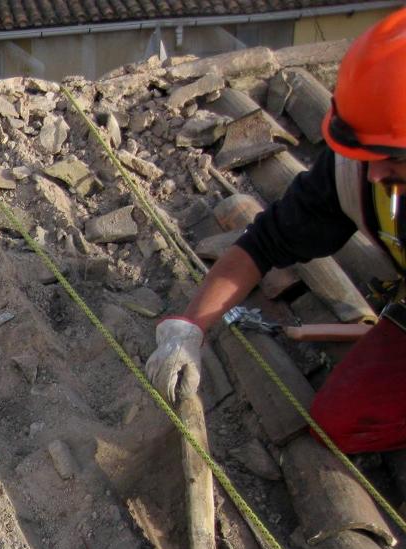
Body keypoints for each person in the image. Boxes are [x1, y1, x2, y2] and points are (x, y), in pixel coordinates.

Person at [146, 8, 406, 454]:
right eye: (368, 155)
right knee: (341, 423)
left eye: (396, 160)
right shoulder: (355, 172)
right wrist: (187, 331)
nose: (378, 173)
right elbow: (260, 246)